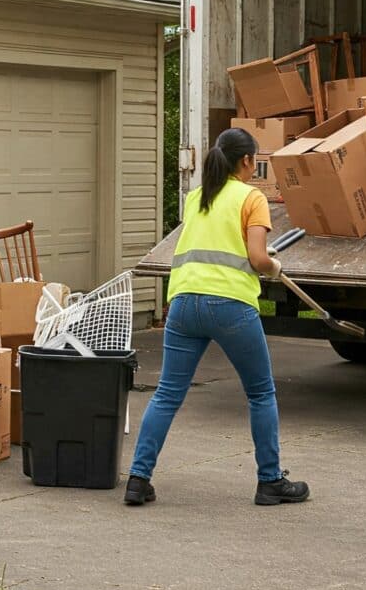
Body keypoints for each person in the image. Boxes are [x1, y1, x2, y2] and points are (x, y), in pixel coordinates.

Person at [124, 128, 309, 508]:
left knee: (167, 394)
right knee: (260, 393)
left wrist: (256, 256)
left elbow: (214, 243)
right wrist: (273, 266)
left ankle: (138, 480)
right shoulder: (251, 197)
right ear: (246, 161)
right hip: (230, 306)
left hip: (183, 304)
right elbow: (257, 259)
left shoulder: (197, 198)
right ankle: (270, 481)